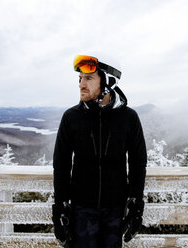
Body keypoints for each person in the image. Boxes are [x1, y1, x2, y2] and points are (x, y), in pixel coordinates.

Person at [52, 54, 147, 248]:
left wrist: (136, 205)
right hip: (81, 210)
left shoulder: (129, 118)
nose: (81, 84)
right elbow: (61, 164)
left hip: (115, 209)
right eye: (80, 79)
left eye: (88, 78)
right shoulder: (72, 117)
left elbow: (138, 163)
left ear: (108, 82)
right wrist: (59, 207)